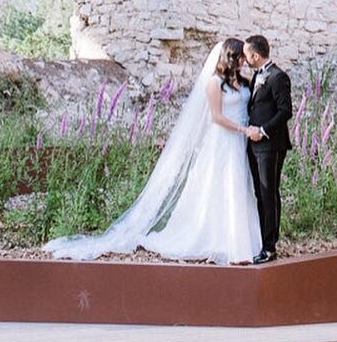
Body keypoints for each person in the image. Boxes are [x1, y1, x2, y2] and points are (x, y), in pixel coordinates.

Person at [44, 37, 262, 265]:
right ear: (230, 57)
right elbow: (216, 117)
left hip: (241, 142)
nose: (244, 62)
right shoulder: (215, 84)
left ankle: (241, 240)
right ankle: (217, 241)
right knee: (220, 187)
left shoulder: (245, 83)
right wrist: (243, 129)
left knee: (240, 187)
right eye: (240, 57)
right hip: (223, 140)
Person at [242, 33, 293, 264]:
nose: (244, 59)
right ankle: (264, 240)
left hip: (270, 145)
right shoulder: (256, 77)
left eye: (246, 55)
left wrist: (262, 131)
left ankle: (270, 246)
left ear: (255, 54)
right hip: (254, 145)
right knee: (260, 194)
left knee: (268, 193)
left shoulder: (277, 77)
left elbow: (285, 111)